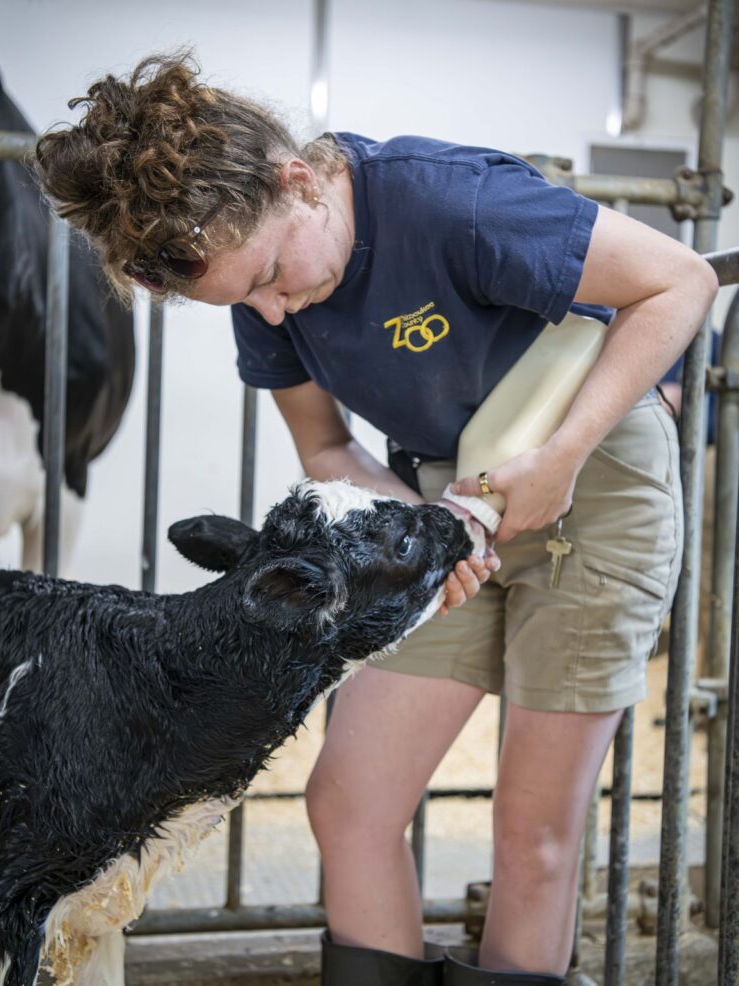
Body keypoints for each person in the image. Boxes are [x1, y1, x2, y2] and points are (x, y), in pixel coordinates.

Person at [35, 54, 718, 986]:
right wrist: (433, 541)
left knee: (531, 830)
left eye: (274, 273)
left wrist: (560, 458)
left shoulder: (452, 204)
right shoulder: (262, 297)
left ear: (300, 181)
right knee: (350, 802)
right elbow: (326, 452)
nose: (274, 309)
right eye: (246, 300)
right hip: (445, 507)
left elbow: (680, 280)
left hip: (591, 484)